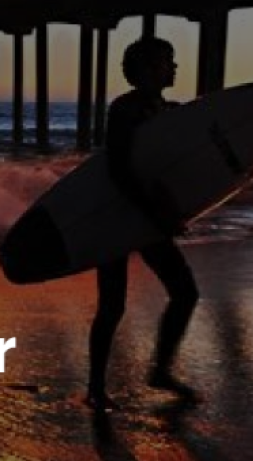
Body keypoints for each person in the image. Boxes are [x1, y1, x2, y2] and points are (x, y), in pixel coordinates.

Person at [87, 36, 199, 412]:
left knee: (185, 292)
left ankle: (161, 371)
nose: (175, 68)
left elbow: (208, 128)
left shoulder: (163, 109)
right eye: (169, 61)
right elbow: (119, 169)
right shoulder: (125, 109)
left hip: (146, 216)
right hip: (117, 217)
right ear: (149, 69)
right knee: (112, 306)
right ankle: (96, 387)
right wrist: (157, 213)